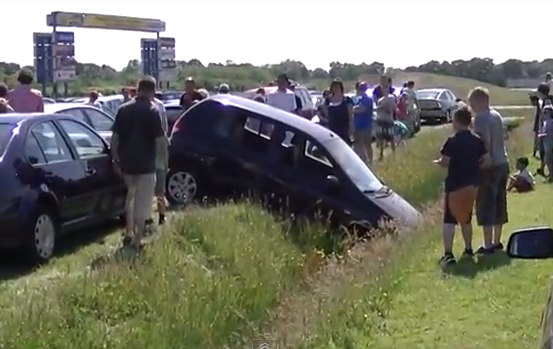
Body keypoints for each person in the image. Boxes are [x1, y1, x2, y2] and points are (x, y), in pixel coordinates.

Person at [110, 76, 166, 249]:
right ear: (152, 91)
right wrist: (163, 161)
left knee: (131, 198)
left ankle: (128, 232)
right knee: (143, 202)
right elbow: (159, 141)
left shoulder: (123, 109)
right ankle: (137, 238)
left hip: (127, 163)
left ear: (138, 89)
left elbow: (115, 139)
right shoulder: (152, 110)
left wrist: (115, 159)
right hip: (146, 164)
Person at [434, 106, 489, 266]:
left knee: (450, 219)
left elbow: (445, 162)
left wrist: (439, 162)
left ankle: (448, 253)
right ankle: (468, 248)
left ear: (457, 122)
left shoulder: (452, 141)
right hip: (473, 184)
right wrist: (476, 165)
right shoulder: (476, 139)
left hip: (455, 184)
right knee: (466, 217)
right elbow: (486, 159)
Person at [470, 87, 509, 254]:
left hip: (489, 166)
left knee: (486, 203)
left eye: (472, 102)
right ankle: (497, 241)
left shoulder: (480, 119)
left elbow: (484, 140)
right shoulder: (496, 115)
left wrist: (483, 159)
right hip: (503, 162)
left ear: (479, 101)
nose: (471, 106)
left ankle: (487, 244)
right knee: (500, 202)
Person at [324, 80, 354, 145]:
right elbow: (325, 112)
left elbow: (351, 115)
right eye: (334, 87)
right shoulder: (328, 100)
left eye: (337, 87)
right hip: (332, 128)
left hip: (344, 128)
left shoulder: (347, 100)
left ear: (341, 88)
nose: (336, 89)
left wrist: (351, 129)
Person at [352, 82, 374, 165]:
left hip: (366, 125)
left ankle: (370, 161)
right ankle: (363, 160)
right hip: (357, 125)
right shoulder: (359, 99)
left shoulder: (367, 99)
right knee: (358, 144)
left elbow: (361, 109)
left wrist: (352, 110)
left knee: (367, 144)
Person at [375, 87, 397, 161]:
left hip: (389, 120)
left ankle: (394, 153)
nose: (384, 90)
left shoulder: (391, 98)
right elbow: (377, 109)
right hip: (381, 119)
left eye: (385, 89)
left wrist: (385, 108)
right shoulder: (380, 100)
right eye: (382, 89)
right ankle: (381, 154)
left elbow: (393, 108)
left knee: (391, 137)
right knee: (381, 137)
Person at [539, 104, 553, 182]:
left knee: (549, 160)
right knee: (547, 160)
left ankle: (551, 176)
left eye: (546, 112)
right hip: (546, 143)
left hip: (550, 143)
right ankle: (551, 175)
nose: (544, 113)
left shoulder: (551, 122)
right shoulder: (545, 122)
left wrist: (542, 135)